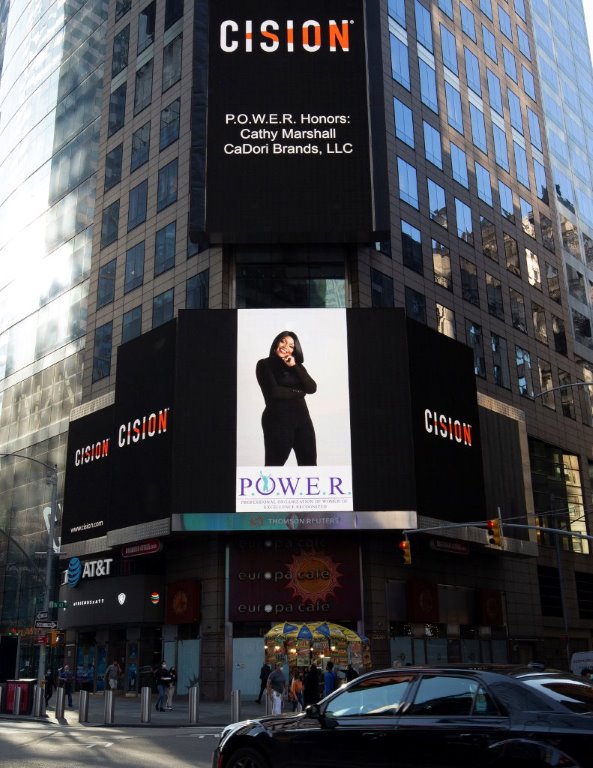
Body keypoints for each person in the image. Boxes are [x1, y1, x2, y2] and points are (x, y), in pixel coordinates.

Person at [256, 331, 317, 466]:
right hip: (278, 421)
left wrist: (294, 366)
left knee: (309, 465)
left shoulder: (297, 366)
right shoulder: (264, 364)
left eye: (291, 346)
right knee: (274, 466)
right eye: (283, 341)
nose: (286, 347)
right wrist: (299, 392)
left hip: (303, 422)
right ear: (276, 343)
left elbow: (312, 388)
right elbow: (274, 392)